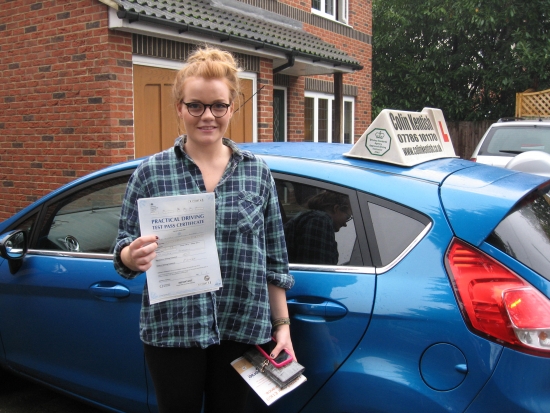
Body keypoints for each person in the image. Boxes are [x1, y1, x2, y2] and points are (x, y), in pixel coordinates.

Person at [113, 46, 295, 413]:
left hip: (240, 325)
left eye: (218, 106)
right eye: (195, 105)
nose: (207, 116)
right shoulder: (150, 173)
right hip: (173, 332)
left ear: (232, 107)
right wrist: (131, 255)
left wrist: (283, 326)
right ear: (179, 107)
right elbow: (121, 254)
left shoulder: (256, 172)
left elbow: (275, 261)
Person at [283, 190, 352, 265]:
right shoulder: (320, 221)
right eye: (347, 217)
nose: (345, 224)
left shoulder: (309, 218)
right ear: (336, 208)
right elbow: (317, 268)